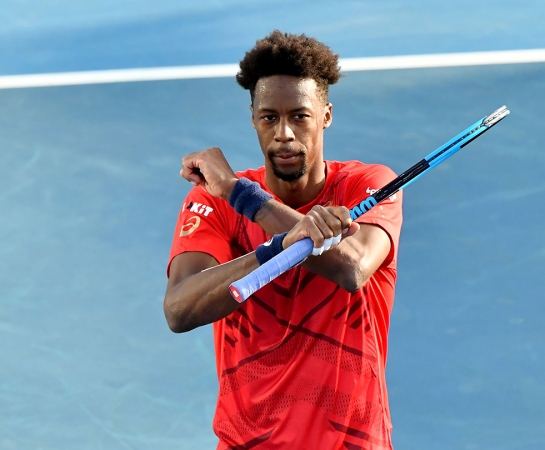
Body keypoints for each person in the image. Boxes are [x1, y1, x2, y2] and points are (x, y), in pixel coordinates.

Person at [164, 30, 403, 450]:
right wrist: (275, 247)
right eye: (269, 117)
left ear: (326, 115)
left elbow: (352, 268)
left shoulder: (366, 185)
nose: (284, 133)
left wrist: (245, 197)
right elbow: (179, 310)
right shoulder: (214, 201)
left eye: (300, 116)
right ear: (253, 118)